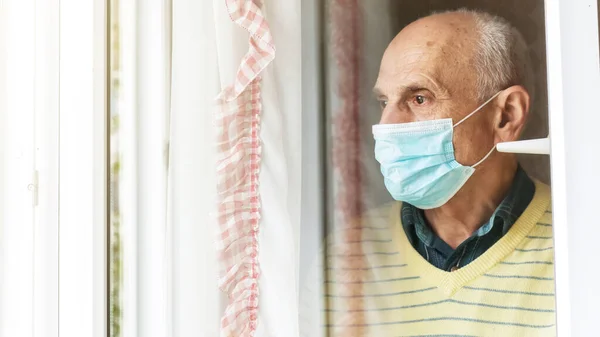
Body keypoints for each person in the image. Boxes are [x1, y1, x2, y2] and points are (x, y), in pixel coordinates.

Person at [301, 8, 555, 337]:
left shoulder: (580, 243)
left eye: (420, 98)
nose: (386, 127)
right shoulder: (346, 257)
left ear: (506, 116)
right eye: (384, 102)